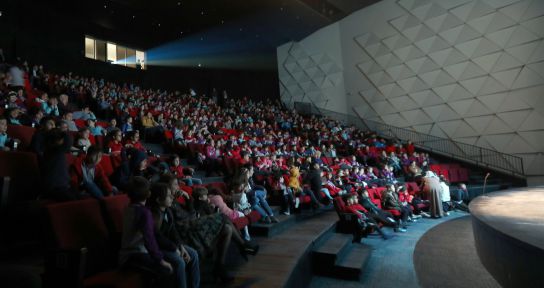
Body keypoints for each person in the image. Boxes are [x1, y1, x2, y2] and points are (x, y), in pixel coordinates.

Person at [119, 177, 180, 287]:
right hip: (133, 256)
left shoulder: (129, 208)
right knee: (167, 270)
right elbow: (149, 239)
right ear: (148, 194)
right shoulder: (144, 213)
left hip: (127, 255)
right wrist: (161, 260)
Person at [147, 183, 200, 288]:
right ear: (158, 200)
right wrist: (175, 248)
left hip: (171, 245)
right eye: (168, 196)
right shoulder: (154, 216)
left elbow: (173, 231)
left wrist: (180, 246)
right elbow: (157, 239)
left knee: (193, 254)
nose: (172, 197)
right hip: (159, 248)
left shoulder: (167, 210)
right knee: (180, 261)